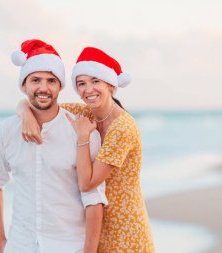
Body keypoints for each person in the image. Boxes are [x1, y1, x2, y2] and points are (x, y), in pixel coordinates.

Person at [18, 47, 155, 252]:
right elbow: (39, 104)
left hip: (126, 230)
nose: (88, 89)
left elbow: (87, 183)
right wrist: (25, 115)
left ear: (110, 85)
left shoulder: (123, 127)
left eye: (95, 81)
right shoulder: (86, 112)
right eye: (81, 84)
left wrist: (83, 137)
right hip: (94, 228)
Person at [0, 39, 108, 253]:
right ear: (24, 85)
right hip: (20, 245)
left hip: (69, 247)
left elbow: (94, 200)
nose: (43, 88)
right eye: (35, 80)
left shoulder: (81, 132)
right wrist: (2, 243)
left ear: (60, 86)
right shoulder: (6, 131)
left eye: (51, 81)